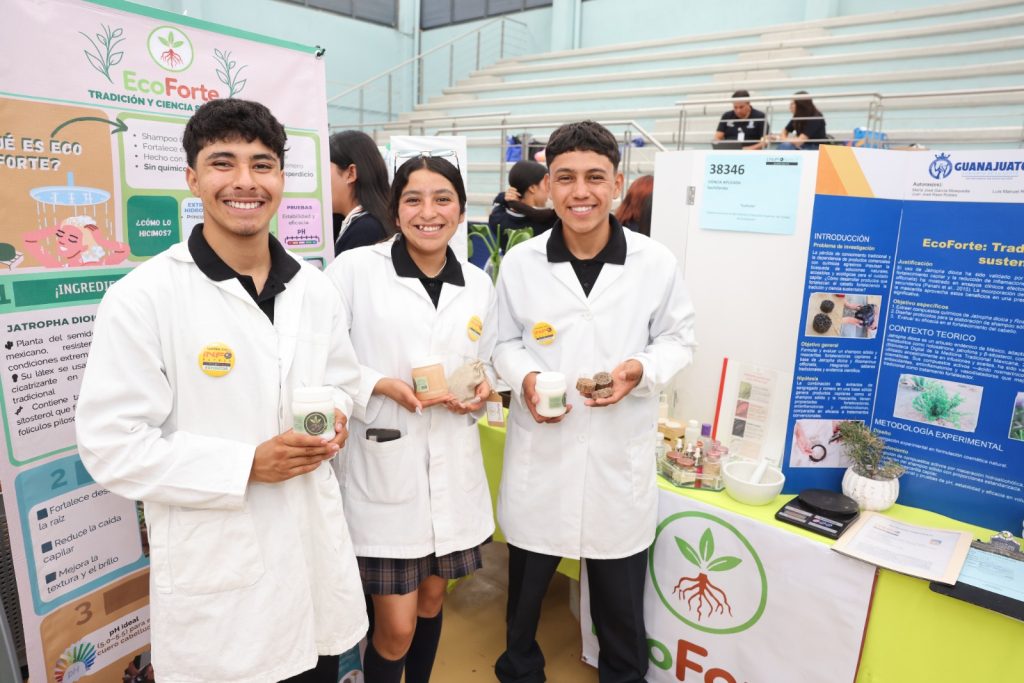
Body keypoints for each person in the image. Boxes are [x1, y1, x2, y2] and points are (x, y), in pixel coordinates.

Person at [75, 98, 368, 683]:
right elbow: (111, 445)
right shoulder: (145, 297)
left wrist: (334, 413)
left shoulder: (314, 289)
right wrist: (246, 465)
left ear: (281, 177)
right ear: (193, 178)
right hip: (221, 589)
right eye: (222, 163)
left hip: (312, 567)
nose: (245, 182)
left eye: (262, 164)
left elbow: (340, 380)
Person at [492, 120, 696, 683]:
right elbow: (503, 343)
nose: (579, 192)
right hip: (543, 456)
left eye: (594, 177)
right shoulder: (523, 263)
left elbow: (679, 340)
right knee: (524, 602)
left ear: (616, 183)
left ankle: (624, 676)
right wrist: (527, 378)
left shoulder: (655, 263)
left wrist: (640, 370)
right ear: (549, 186)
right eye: (565, 178)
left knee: (620, 607)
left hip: (616, 458)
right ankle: (520, 671)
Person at [325, 155, 496, 683]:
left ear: (461, 210)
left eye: (443, 199)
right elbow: (323, 356)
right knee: (396, 629)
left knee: (430, 602)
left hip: (452, 470)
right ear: (395, 211)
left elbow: (485, 360)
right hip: (384, 468)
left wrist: (482, 388)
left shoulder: (477, 283)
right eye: (413, 199)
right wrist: (380, 384)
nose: (429, 212)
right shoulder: (355, 271)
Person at [329, 129, 393, 254]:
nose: (318, 180)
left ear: (351, 173)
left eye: (324, 169)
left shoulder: (366, 231)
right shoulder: (370, 222)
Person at [23, 215, 129, 267]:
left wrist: (101, 241)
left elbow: (124, 250)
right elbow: (28, 239)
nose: (62, 241)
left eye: (72, 239)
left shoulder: (95, 266)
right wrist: (55, 228)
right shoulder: (57, 267)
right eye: (60, 235)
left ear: (84, 247)